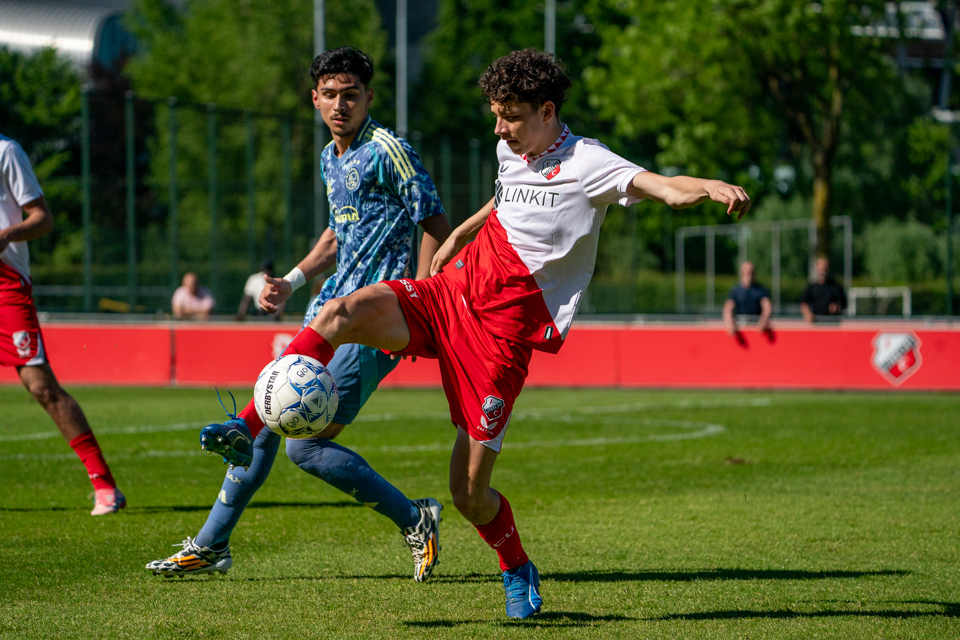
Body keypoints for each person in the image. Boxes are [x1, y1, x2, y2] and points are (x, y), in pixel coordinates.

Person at [197, 49, 751, 618]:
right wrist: (462, 232)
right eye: (495, 113)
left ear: (547, 110)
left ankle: (517, 569)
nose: (498, 127)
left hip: (499, 340)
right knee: (340, 311)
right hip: (450, 297)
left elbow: (662, 186)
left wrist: (709, 185)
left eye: (509, 115)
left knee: (468, 494)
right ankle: (244, 426)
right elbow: (504, 199)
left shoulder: (590, 163)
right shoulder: (511, 149)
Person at [147, 47, 453, 583]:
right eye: (330, 95)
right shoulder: (329, 157)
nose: (340, 105)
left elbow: (435, 222)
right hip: (326, 313)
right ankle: (210, 545)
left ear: (369, 97)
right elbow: (339, 234)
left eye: (351, 95)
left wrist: (419, 300)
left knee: (304, 447)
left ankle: (416, 517)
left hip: (378, 319)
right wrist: (290, 280)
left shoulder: (389, 149)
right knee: (265, 421)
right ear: (315, 99)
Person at [0, 133, 125, 515]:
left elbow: (42, 218)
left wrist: (5, 235)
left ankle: (105, 485)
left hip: (5, 282)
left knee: (41, 386)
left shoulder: (6, 151)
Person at [722, 261, 771, 334]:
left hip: (757, 326)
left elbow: (767, 306)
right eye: (747, 270)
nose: (749, 273)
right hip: (740, 326)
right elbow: (728, 307)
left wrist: (764, 320)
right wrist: (730, 322)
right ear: (741, 272)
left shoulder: (761, 290)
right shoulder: (736, 291)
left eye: (751, 270)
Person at [801, 257, 846, 322]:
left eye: (825, 265)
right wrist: (808, 313)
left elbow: (843, 304)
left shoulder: (836, 287)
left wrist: (836, 308)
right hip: (816, 323)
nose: (823, 268)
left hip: (832, 323)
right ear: (817, 268)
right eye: (821, 266)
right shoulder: (811, 288)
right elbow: (804, 304)